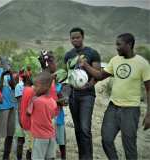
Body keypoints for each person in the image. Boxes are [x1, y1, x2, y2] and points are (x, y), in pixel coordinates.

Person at [79, 33, 150, 159]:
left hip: (131, 109)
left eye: (119, 44)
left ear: (129, 45)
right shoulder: (115, 60)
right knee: (106, 140)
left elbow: (149, 89)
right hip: (113, 107)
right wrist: (86, 65)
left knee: (129, 145)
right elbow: (100, 76)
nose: (116, 47)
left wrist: (149, 114)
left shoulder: (142, 63)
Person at [64, 27, 101, 159]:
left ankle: (88, 157)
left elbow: (97, 75)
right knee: (78, 129)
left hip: (87, 95)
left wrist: (89, 85)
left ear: (83, 37)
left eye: (77, 37)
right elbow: (68, 77)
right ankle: (82, 156)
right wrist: (66, 95)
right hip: (73, 95)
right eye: (72, 38)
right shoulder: (68, 55)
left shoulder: (92, 53)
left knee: (85, 128)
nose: (75, 40)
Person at [27, 71, 59, 160]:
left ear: (45, 87)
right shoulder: (53, 101)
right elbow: (53, 115)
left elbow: (28, 112)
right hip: (51, 135)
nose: (34, 89)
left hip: (39, 137)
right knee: (50, 157)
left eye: (36, 86)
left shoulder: (36, 101)